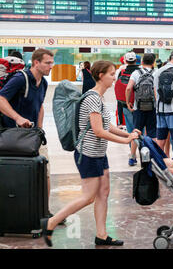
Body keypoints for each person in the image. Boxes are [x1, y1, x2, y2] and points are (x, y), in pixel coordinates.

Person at [40, 60, 140, 248]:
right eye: (111, 74)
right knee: (88, 196)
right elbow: (98, 131)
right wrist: (126, 141)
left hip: (99, 153)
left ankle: (101, 235)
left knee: (104, 193)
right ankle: (51, 223)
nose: (114, 77)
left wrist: (128, 133)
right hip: (88, 154)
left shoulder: (99, 98)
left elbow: (107, 126)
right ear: (101, 76)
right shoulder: (93, 98)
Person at [0, 48, 57, 219]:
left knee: (44, 170)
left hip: (32, 137)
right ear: (36, 62)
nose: (51, 66)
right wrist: (18, 118)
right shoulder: (20, 79)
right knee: (16, 175)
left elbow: (39, 106)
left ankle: (43, 211)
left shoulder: (44, 83)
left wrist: (38, 130)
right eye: (48, 63)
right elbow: (1, 99)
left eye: (52, 63)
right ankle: (16, 213)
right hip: (12, 136)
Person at [115, 52, 141, 166]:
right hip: (141, 105)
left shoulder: (121, 71)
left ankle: (132, 155)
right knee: (142, 130)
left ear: (125, 60)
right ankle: (144, 153)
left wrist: (126, 101)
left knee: (131, 130)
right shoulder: (141, 71)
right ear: (136, 60)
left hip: (126, 105)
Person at [126, 53, 157, 145]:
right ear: (153, 63)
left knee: (136, 132)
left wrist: (128, 102)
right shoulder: (156, 72)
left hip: (138, 107)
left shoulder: (136, 73)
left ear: (142, 62)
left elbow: (128, 88)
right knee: (152, 133)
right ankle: (152, 154)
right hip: (153, 107)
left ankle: (133, 157)